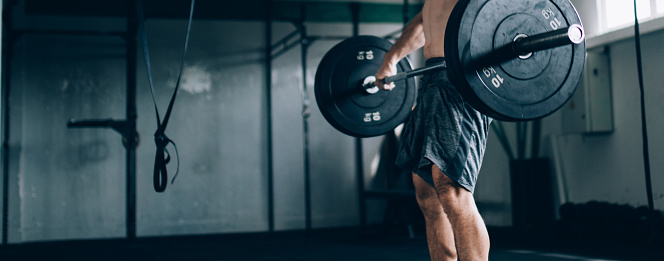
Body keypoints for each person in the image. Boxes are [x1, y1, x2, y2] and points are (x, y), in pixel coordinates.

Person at [374, 0, 492, 260]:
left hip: (463, 77)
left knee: (452, 189)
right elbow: (427, 18)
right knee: (427, 193)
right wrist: (392, 58)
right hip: (431, 78)